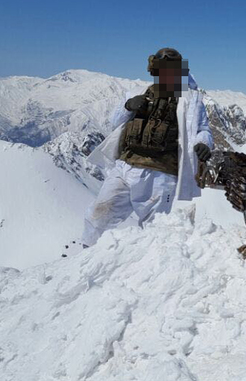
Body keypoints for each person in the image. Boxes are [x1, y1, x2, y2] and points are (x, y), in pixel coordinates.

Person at [80, 48, 213, 246]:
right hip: (125, 166)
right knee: (99, 214)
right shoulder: (138, 92)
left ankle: (151, 263)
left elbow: (203, 130)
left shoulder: (190, 100)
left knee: (154, 229)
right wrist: (127, 106)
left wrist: (203, 143)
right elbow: (114, 122)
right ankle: (87, 254)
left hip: (161, 174)